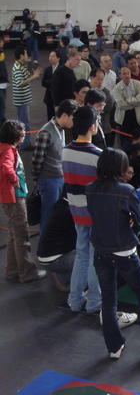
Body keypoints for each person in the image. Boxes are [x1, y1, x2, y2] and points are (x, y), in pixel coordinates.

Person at [86, 148, 140, 360]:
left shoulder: (90, 188)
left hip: (100, 250)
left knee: (108, 300)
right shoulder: (126, 191)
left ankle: (114, 346)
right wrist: (130, 223)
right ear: (120, 167)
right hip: (125, 251)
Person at [63, 107, 102, 313]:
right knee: (96, 259)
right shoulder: (98, 155)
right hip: (95, 214)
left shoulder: (65, 151)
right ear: (92, 126)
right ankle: (95, 302)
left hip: (76, 211)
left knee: (81, 255)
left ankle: (75, 300)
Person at [0, 120, 46, 282]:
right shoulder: (8, 151)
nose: (24, 135)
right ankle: (28, 272)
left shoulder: (5, 148)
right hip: (15, 198)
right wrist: (15, 181)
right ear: (15, 136)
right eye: (22, 133)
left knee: (14, 234)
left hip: (9, 198)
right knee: (22, 235)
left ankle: (12, 270)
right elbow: (7, 168)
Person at [32, 99, 77, 233]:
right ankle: (44, 240)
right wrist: (37, 180)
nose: (74, 122)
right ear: (65, 115)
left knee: (55, 211)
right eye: (73, 118)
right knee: (48, 212)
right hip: (49, 180)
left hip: (59, 177)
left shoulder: (60, 129)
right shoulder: (46, 133)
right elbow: (37, 160)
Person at [12, 46, 41, 149]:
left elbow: (27, 74)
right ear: (21, 56)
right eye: (25, 54)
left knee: (22, 122)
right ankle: (24, 145)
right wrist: (33, 77)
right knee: (24, 123)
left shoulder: (20, 65)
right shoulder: (18, 68)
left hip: (22, 99)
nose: (27, 55)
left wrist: (31, 67)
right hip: (22, 100)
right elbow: (20, 83)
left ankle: (22, 143)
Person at [41, 51, 60, 120]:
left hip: (59, 98)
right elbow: (43, 83)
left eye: (53, 56)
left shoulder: (61, 69)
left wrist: (50, 82)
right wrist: (53, 81)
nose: (50, 58)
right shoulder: (47, 69)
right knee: (50, 117)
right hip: (49, 98)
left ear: (58, 58)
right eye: (50, 56)